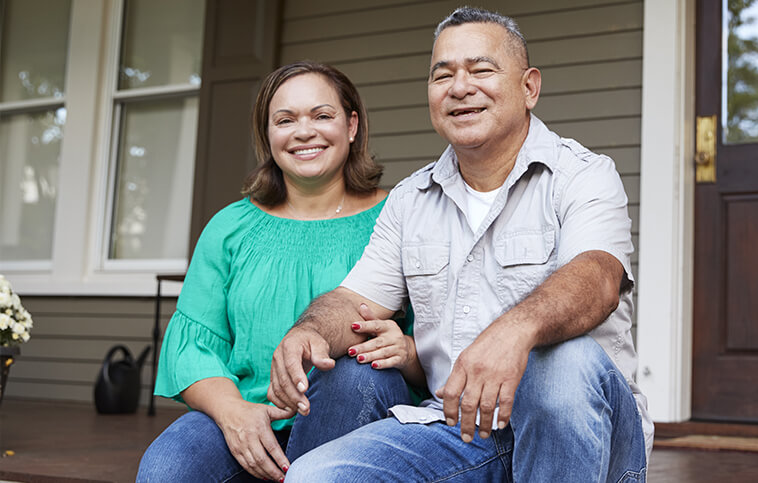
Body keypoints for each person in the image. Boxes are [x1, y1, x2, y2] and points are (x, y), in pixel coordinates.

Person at [271, 7, 652, 482]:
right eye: (442, 75)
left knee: (562, 361)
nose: (459, 87)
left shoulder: (583, 175)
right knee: (316, 476)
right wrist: (309, 331)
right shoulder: (411, 200)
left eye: (482, 69)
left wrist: (515, 331)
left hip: (586, 436)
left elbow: (597, 277)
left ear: (529, 87)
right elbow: (354, 302)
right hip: (461, 432)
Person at [137, 61, 423, 482]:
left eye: (322, 115)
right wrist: (234, 413)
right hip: (250, 413)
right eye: (285, 120)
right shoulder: (230, 228)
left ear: (352, 125)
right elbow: (193, 350)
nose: (303, 132)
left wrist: (409, 351)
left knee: (358, 376)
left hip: (360, 417)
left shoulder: (401, 217)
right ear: (267, 135)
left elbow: (440, 345)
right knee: (166, 468)